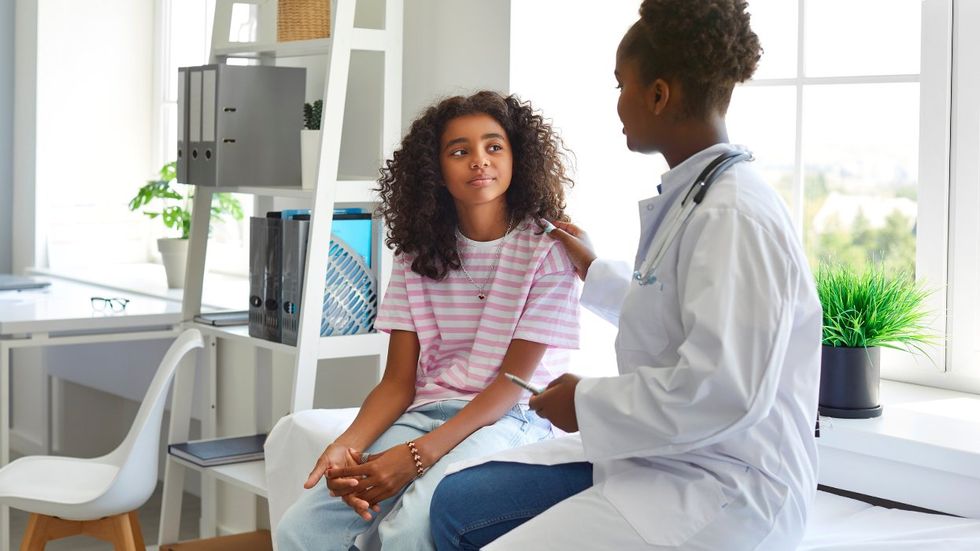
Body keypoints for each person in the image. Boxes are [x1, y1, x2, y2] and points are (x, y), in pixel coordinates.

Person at [429, 1, 822, 549]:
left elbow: (722, 392)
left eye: (621, 85)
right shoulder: (696, 196)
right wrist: (595, 271)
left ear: (658, 94)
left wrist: (584, 401)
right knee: (456, 502)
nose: (618, 103)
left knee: (473, 528)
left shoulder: (732, 215)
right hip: (666, 455)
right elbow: (675, 314)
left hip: (728, 488)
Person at [275, 90, 581, 551]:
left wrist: (415, 458)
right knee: (302, 529)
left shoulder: (548, 250)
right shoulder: (417, 253)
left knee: (410, 529)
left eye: (494, 146)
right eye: (460, 151)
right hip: (428, 411)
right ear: (435, 170)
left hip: (513, 417)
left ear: (518, 157)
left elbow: (509, 386)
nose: (479, 161)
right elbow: (398, 381)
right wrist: (346, 446)